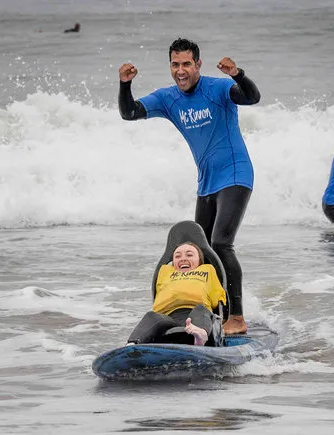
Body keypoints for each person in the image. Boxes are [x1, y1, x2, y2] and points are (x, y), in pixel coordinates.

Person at [118, 38, 261, 334]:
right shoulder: (168, 98)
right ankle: (209, 311)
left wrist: (237, 74)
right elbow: (129, 112)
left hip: (236, 174)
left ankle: (237, 317)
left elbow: (251, 97)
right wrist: (125, 84)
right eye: (175, 64)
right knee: (200, 251)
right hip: (207, 182)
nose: (180, 71)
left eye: (186, 64)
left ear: (198, 64)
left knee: (221, 244)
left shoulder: (217, 89)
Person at [127, 242, 227, 346]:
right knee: (151, 316)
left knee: (201, 308)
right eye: (177, 256)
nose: (183, 258)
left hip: (197, 316)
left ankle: (200, 336)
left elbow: (216, 300)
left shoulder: (207, 271)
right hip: (168, 318)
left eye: (189, 255)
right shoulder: (166, 273)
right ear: (173, 262)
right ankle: (132, 344)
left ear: (200, 261)